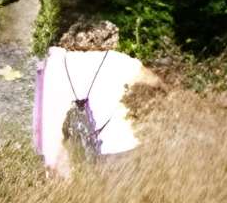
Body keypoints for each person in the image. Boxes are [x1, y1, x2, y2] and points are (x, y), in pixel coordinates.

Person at [33, 18, 156, 180]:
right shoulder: (121, 61)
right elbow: (156, 84)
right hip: (120, 148)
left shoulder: (55, 61)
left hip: (72, 153)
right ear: (110, 39)